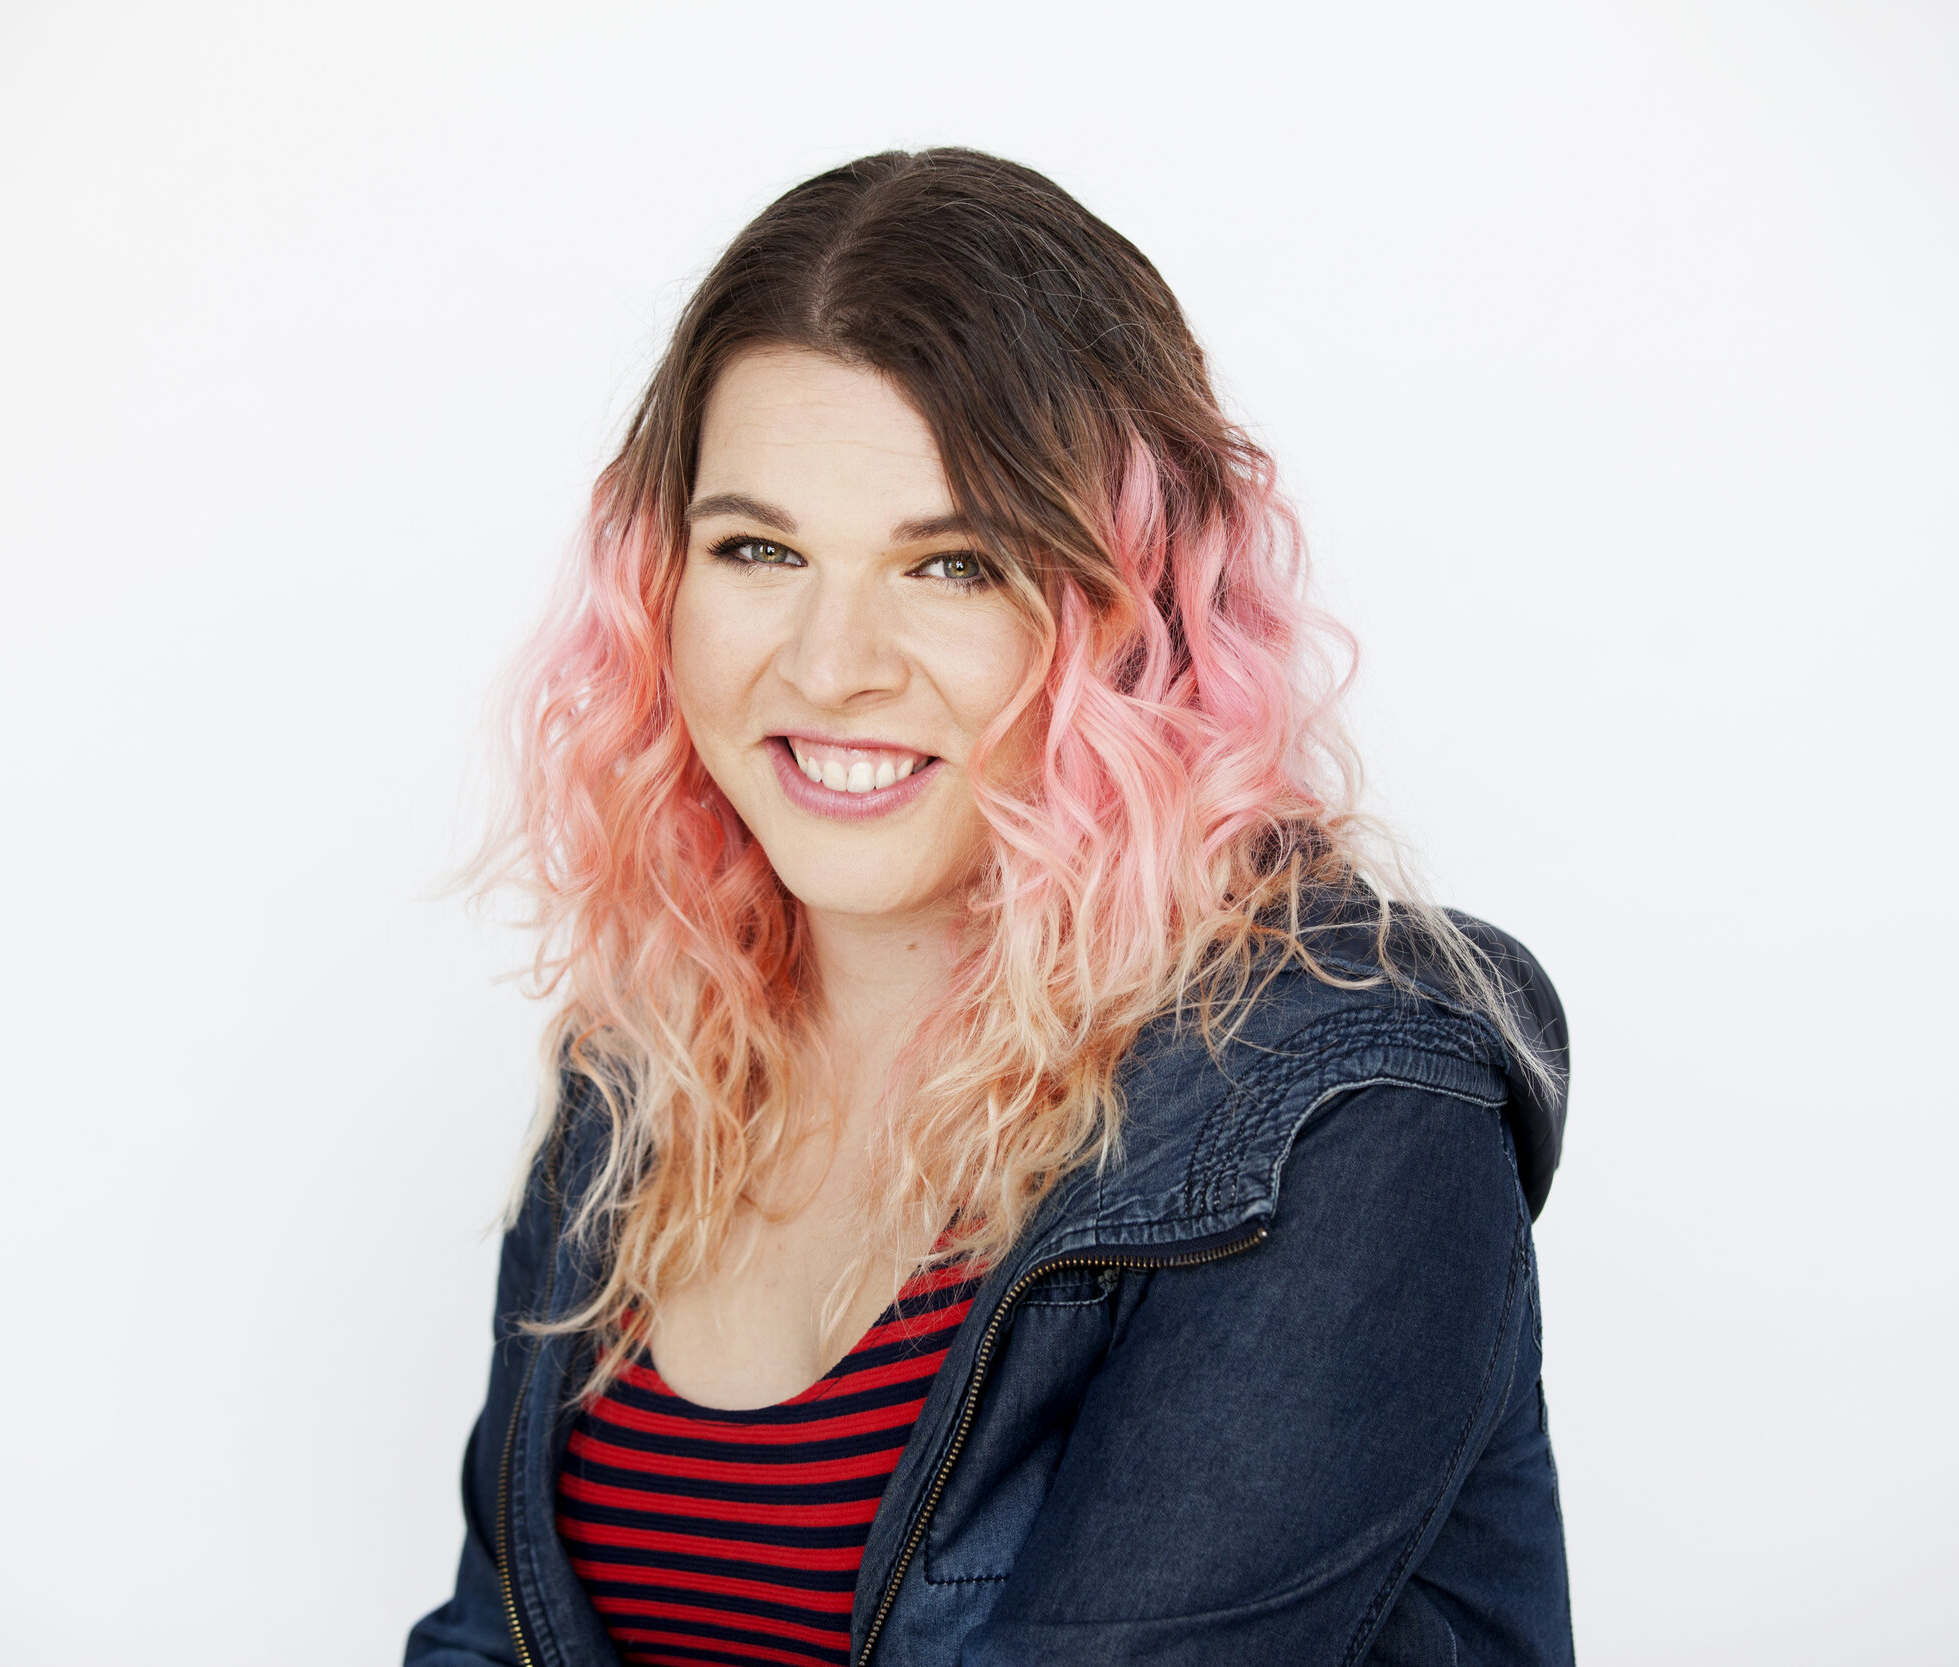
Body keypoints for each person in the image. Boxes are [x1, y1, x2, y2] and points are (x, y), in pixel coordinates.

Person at [407, 147, 1573, 1667]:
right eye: (759, 549)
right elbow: (494, 1637)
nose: (831, 666)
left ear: (1135, 609)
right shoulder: (645, 1066)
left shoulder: (1341, 1109)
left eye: (954, 564)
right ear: (658, 582)